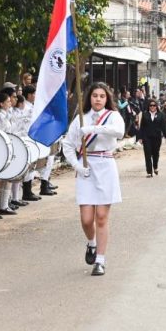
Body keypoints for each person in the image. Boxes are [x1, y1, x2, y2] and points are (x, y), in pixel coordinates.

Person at [61, 82, 125, 276]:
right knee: (87, 219)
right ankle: (91, 243)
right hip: (87, 169)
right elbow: (68, 144)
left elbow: (119, 132)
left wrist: (94, 129)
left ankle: (100, 260)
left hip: (106, 165)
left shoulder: (112, 116)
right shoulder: (81, 119)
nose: (98, 99)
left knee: (102, 217)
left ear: (107, 98)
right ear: (89, 97)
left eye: (102, 96)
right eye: (95, 95)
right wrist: (77, 166)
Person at [137, 99, 166, 177]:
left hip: (157, 138)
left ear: (156, 106)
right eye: (151, 105)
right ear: (148, 106)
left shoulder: (161, 115)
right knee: (147, 154)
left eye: (154, 105)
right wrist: (140, 137)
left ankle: (155, 166)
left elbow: (164, 127)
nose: (152, 107)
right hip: (147, 137)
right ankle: (149, 172)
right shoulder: (145, 114)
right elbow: (142, 127)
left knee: (155, 154)